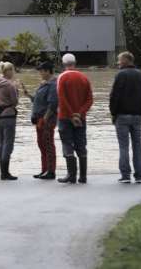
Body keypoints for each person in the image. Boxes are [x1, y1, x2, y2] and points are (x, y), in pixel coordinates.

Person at [109, 51, 141, 184]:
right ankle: (139, 176)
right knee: (138, 146)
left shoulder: (120, 75)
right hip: (137, 116)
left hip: (122, 116)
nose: (118, 63)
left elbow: (114, 96)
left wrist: (113, 113)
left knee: (124, 146)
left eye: (119, 60)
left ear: (126, 61)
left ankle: (126, 175)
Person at [56, 53, 93, 184]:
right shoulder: (84, 77)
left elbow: (61, 98)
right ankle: (83, 176)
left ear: (63, 64)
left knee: (67, 143)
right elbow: (90, 99)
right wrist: (79, 113)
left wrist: (72, 114)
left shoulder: (62, 77)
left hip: (65, 117)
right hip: (81, 117)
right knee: (81, 144)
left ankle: (71, 175)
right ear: (75, 63)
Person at [22, 61, 58, 179]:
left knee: (48, 144)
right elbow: (38, 101)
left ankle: (51, 171)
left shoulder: (53, 84)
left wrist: (45, 119)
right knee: (41, 144)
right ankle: (44, 169)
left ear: (48, 71)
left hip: (47, 119)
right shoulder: (44, 84)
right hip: (39, 119)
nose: (40, 73)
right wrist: (28, 95)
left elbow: (52, 104)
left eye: (41, 71)